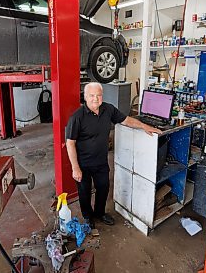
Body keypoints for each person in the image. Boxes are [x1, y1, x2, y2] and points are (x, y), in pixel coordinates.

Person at [65, 82, 162, 227]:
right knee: (84, 193)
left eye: (98, 95)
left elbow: (126, 120)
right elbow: (70, 143)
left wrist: (144, 126)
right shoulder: (77, 117)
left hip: (101, 161)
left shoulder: (108, 109)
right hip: (83, 163)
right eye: (91, 95)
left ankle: (100, 213)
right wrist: (75, 167)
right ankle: (88, 216)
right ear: (85, 97)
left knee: (103, 188)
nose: (95, 99)